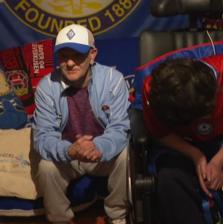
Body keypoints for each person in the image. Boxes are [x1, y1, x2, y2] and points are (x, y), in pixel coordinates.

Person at [142, 56, 223, 224]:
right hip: (183, 144)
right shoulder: (153, 89)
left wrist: (217, 162)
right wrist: (196, 155)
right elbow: (161, 133)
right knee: (169, 178)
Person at [33, 24, 130, 224]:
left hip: (103, 154)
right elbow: (42, 138)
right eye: (63, 56)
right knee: (46, 166)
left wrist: (98, 146)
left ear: (92, 55)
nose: (69, 63)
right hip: (69, 156)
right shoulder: (45, 87)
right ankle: (60, 220)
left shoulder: (114, 80)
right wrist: (70, 150)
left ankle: (117, 215)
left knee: (126, 153)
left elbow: (120, 128)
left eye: (77, 55)